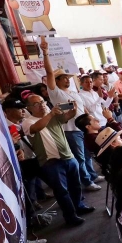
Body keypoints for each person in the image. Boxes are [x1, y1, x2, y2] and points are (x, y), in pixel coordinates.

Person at [21, 93, 93, 226]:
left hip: (68, 156)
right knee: (62, 191)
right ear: (29, 108)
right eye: (36, 104)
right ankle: (70, 217)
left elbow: (66, 117)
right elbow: (37, 128)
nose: (42, 105)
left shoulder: (52, 115)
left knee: (75, 185)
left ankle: (79, 206)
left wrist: (74, 110)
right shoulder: (28, 122)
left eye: (42, 102)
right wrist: (51, 114)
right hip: (50, 161)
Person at [41, 38, 103, 191]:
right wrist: (45, 53)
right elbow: (49, 72)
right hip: (71, 130)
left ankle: (91, 175)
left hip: (83, 128)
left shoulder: (73, 91)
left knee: (87, 154)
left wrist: (89, 118)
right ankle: (87, 182)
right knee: (80, 157)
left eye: (67, 78)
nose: (67, 80)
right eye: (63, 78)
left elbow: (82, 108)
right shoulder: (55, 93)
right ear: (56, 81)